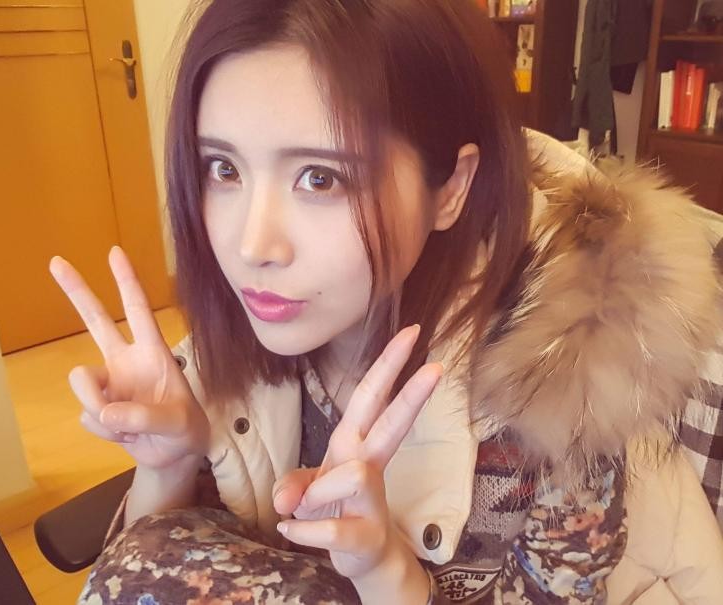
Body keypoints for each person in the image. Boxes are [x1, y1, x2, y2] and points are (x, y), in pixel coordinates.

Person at [49, 1, 723, 603]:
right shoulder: (253, 326)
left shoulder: (559, 375)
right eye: (223, 168)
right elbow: (157, 575)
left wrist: (386, 573)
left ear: (451, 188)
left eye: (320, 178)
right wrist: (166, 465)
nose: (251, 245)